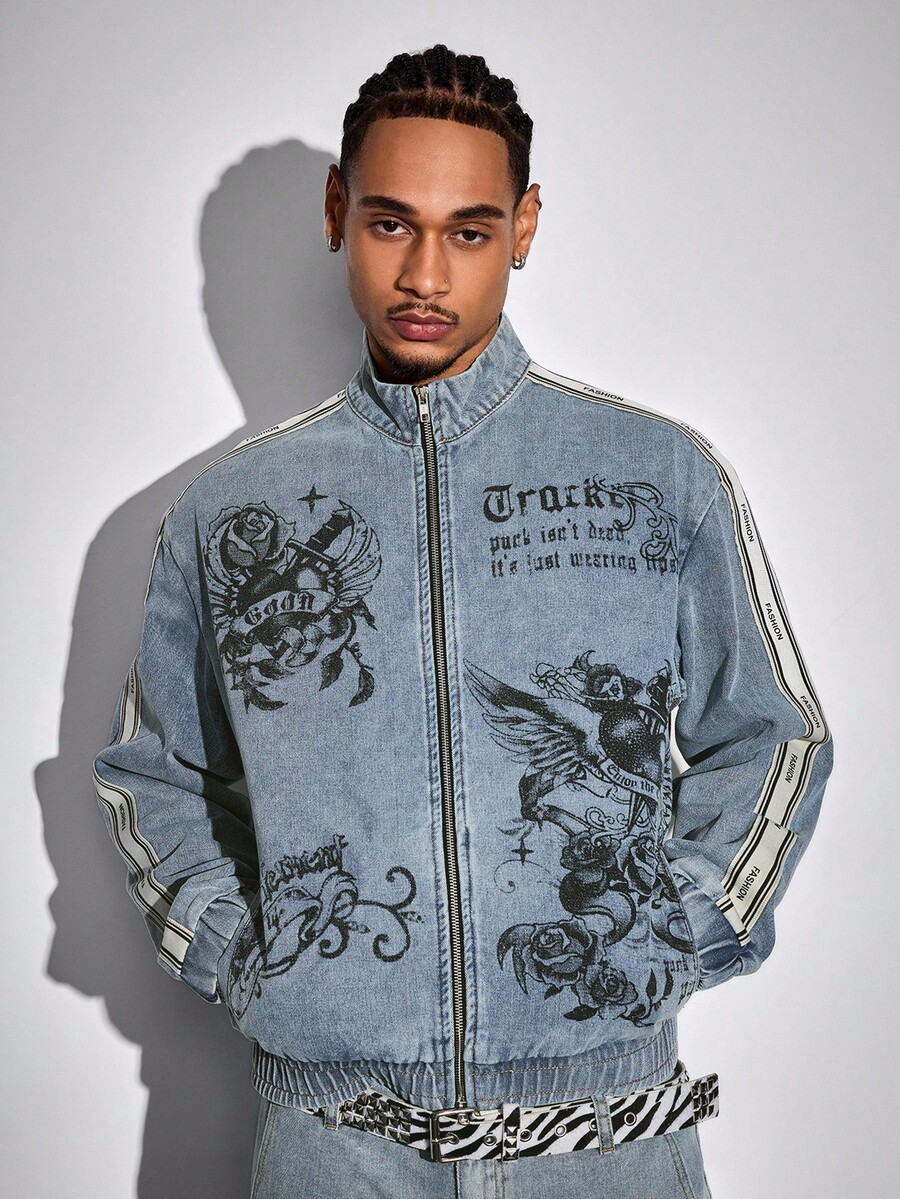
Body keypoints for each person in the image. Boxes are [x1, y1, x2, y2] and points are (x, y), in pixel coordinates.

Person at [93, 44, 832, 1199]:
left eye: (470, 231)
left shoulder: (658, 476)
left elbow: (775, 734)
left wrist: (673, 931)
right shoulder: (227, 514)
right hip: (335, 1138)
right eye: (391, 223)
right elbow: (154, 774)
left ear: (524, 226)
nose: (425, 274)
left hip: (606, 1135)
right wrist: (248, 957)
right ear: (336, 211)